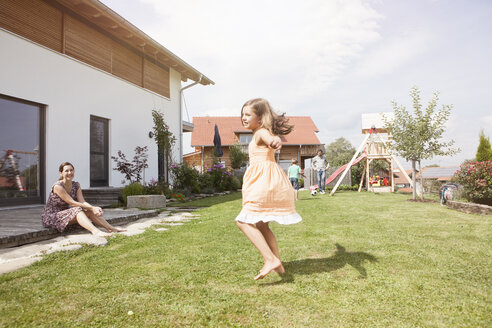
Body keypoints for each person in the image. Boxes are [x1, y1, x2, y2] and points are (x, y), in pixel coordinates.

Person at [235, 98, 302, 280]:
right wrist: (274, 140)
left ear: (260, 117)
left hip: (263, 182)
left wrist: (275, 140)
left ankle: (270, 259)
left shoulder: (261, 132)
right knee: (262, 224)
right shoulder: (261, 132)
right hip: (269, 181)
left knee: (242, 221)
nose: (244, 118)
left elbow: (270, 138)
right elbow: (271, 138)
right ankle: (278, 264)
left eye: (248, 114)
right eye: (242, 114)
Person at [42, 162, 126, 236]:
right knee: (77, 209)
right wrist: (93, 208)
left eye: (71, 170)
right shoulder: (58, 186)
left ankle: (111, 228)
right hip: (53, 217)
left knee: (88, 211)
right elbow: (72, 203)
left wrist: (93, 209)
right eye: (66, 171)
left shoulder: (76, 185)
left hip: (66, 214)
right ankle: (96, 232)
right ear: (61, 173)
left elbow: (82, 202)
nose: (69, 173)